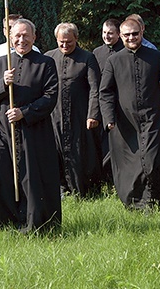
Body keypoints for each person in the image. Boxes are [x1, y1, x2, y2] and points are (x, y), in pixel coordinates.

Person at [0, 19, 61, 232]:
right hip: (3, 130)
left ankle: (34, 223)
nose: (21, 39)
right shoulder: (1, 63)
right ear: (10, 37)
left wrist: (24, 113)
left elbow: (51, 97)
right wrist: (2, 82)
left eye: (26, 35)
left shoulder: (45, 63)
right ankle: (4, 221)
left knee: (31, 178)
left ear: (34, 37)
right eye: (17, 35)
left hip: (33, 131)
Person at [99, 19, 160, 209]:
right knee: (131, 164)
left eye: (135, 34)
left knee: (153, 159)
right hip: (126, 122)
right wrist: (109, 118)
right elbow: (105, 92)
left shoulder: (156, 57)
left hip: (154, 118)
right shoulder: (114, 60)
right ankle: (136, 201)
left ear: (142, 32)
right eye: (127, 35)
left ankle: (158, 199)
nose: (131, 38)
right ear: (121, 36)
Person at [45, 23, 102, 198]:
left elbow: (95, 88)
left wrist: (93, 114)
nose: (64, 46)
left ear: (76, 39)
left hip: (80, 114)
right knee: (56, 151)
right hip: (54, 114)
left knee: (82, 152)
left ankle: (85, 190)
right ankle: (62, 188)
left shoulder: (87, 58)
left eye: (68, 42)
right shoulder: (49, 57)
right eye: (61, 42)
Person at [0, 15, 40, 125]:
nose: (11, 30)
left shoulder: (34, 51)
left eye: (14, 26)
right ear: (4, 30)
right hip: (3, 108)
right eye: (8, 27)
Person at [92, 18, 123, 183]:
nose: (107, 36)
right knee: (103, 143)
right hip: (102, 104)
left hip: (121, 103)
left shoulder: (124, 51)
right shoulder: (97, 53)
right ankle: (105, 178)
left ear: (118, 34)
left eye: (110, 33)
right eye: (104, 32)